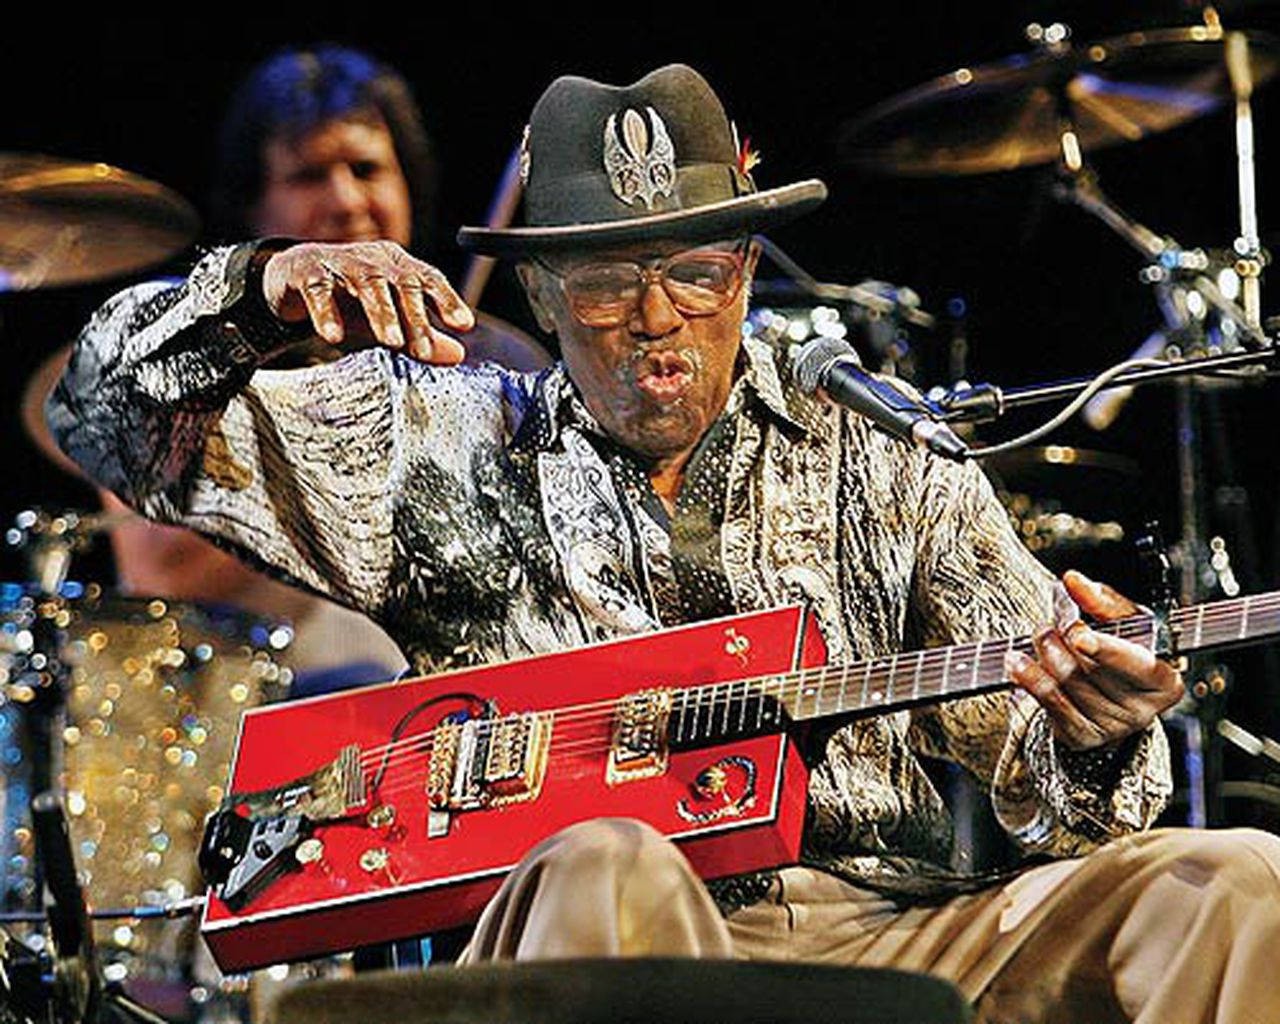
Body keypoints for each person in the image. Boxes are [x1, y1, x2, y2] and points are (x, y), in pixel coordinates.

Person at [46, 64, 1278, 1022]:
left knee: (1237, 881)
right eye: (603, 287)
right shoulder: (432, 445)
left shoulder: (879, 441)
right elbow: (95, 410)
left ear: (746, 264)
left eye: (695, 273)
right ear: (537, 297)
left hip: (887, 927)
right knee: (607, 858)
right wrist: (263, 285)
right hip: (596, 915)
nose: (656, 323)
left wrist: (1089, 728)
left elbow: (1054, 803)